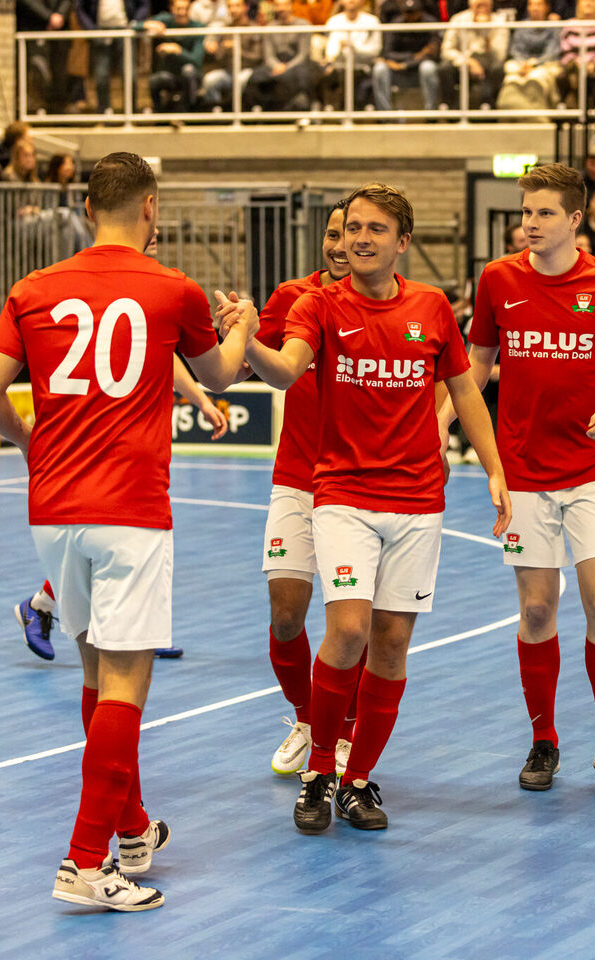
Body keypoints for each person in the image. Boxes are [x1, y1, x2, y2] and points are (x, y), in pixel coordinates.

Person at [0, 152, 256, 911]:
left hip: (53, 509)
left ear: (88, 208)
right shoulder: (173, 288)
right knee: (126, 683)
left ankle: (131, 830)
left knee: (97, 677)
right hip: (130, 507)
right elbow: (222, 374)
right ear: (150, 207)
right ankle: (83, 862)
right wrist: (246, 327)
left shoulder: (33, 288)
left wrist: (30, 441)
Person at [225, 182, 510, 833]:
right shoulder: (317, 305)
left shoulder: (431, 307)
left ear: (402, 241)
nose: (357, 239)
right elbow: (285, 370)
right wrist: (247, 337)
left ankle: (356, 780)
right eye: (351, 227)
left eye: (373, 229)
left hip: (417, 499)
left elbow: (465, 391)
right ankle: (319, 769)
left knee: (390, 646)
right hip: (342, 493)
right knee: (347, 629)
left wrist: (494, 468)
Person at [448, 163, 595, 795]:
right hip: (524, 472)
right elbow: (475, 367)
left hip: (593, 471)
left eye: (543, 213)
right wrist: (437, 425)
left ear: (575, 219)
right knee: (537, 609)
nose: (530, 224)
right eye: (525, 212)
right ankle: (544, 740)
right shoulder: (498, 278)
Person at [14, 357, 231, 663]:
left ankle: (133, 628)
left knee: (131, 539)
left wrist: (202, 401)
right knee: (111, 537)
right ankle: (46, 607)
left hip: (132, 443)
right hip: (97, 445)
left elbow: (166, 356)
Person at [253, 204, 357, 775]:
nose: (341, 244)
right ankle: (309, 719)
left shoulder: (393, 304)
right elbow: (245, 368)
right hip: (297, 477)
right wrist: (238, 333)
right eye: (333, 233)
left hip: (362, 485)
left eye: (354, 232)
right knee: (286, 615)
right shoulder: (292, 297)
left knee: (351, 624)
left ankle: (345, 731)